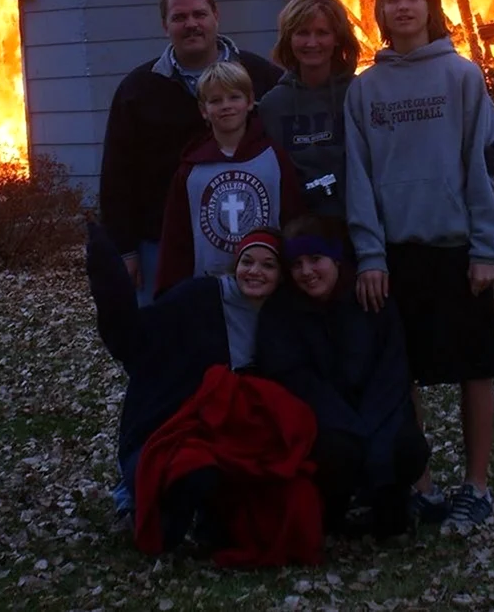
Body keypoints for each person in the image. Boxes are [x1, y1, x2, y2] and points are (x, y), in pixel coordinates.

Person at [343, 0, 494, 533]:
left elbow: (480, 167)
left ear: (430, 7)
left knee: (475, 366)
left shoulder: (463, 77)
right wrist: (369, 255)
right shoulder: (364, 90)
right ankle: (422, 484)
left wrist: (486, 247)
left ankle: (477, 485)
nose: (403, 8)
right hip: (395, 253)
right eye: (392, 0)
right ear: (381, 13)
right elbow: (358, 178)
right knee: (400, 371)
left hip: (456, 247)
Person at [86, 222, 322, 565]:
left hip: (245, 431)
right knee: (190, 469)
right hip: (180, 422)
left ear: (281, 275)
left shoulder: (285, 316)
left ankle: (219, 526)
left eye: (267, 265)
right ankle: (161, 517)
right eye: (247, 262)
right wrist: (110, 284)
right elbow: (136, 340)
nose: (255, 272)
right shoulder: (198, 298)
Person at [99, 0, 281, 306]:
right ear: (164, 25)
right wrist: (125, 249)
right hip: (162, 242)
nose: (191, 25)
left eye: (199, 14)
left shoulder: (262, 77)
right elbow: (117, 175)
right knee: (168, 337)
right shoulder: (139, 91)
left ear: (216, 16)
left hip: (250, 242)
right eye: (180, 18)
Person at [257, 215, 429, 539]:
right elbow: (294, 379)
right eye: (296, 264)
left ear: (335, 258)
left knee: (406, 447)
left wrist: (369, 429)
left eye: (315, 259)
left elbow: (392, 371)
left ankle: (389, 504)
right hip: (325, 421)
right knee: (336, 451)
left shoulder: (371, 299)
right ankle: (331, 508)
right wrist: (347, 428)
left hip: (374, 413)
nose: (307, 272)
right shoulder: (281, 313)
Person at [155, 60, 303, 296]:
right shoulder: (191, 170)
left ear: (250, 101)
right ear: (204, 110)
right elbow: (177, 238)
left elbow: (292, 219)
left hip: (271, 290)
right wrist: (169, 293)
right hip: (209, 290)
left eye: (234, 97)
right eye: (215, 100)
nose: (226, 106)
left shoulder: (273, 158)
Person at [259, 0, 360, 219]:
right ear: (289, 39)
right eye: (302, 33)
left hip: (353, 225)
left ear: (337, 38)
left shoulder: (357, 95)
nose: (312, 43)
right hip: (297, 230)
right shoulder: (272, 106)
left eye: (322, 33)